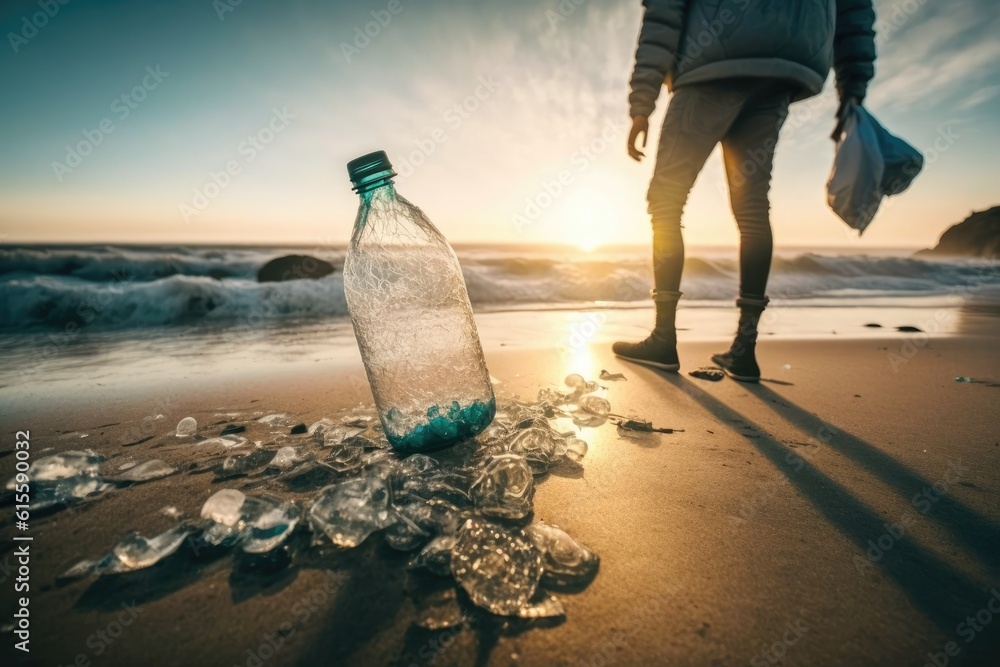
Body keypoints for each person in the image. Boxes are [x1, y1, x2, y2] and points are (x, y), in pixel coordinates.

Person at [613, 0, 877, 381]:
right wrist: (853, 86)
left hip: (714, 57)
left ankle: (663, 338)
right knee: (752, 208)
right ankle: (744, 348)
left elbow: (665, 10)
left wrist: (642, 102)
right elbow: (855, 10)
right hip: (786, 64)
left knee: (666, 201)